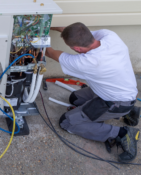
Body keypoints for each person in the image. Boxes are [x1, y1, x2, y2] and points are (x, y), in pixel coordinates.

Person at [45, 22, 140, 163]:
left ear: (76, 48)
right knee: (74, 98)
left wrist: (37, 35)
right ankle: (129, 111)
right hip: (119, 91)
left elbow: (48, 52)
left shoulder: (88, 61)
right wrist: (44, 25)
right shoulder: (109, 36)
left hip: (115, 101)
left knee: (67, 122)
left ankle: (122, 133)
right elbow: (68, 30)